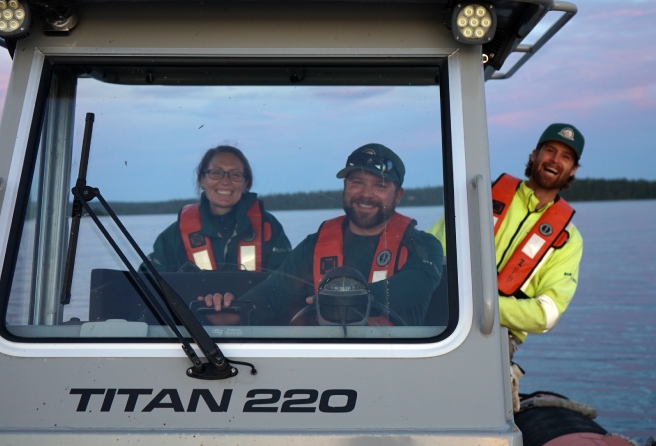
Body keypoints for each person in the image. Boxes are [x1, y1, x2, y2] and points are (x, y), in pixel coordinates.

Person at [429, 122, 585, 411]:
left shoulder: (568, 239)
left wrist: (481, 306)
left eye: (566, 156)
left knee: (469, 399)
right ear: (535, 154)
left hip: (499, 333)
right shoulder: (482, 196)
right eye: (549, 150)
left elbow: (546, 314)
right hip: (441, 312)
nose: (555, 159)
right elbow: (432, 253)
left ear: (573, 170)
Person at [201, 143, 444, 326]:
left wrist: (350, 298)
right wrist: (230, 309)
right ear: (345, 188)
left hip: (398, 367)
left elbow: (415, 286)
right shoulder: (314, 244)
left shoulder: (423, 246)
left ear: (398, 195)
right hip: (322, 367)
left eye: (380, 186)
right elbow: (272, 295)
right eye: (357, 182)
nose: (366, 194)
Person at [145, 145, 291, 273]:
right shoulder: (174, 235)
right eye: (216, 173)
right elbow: (147, 282)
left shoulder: (269, 228)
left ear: (245, 183)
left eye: (235, 174)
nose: (225, 181)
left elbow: (288, 284)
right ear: (203, 180)